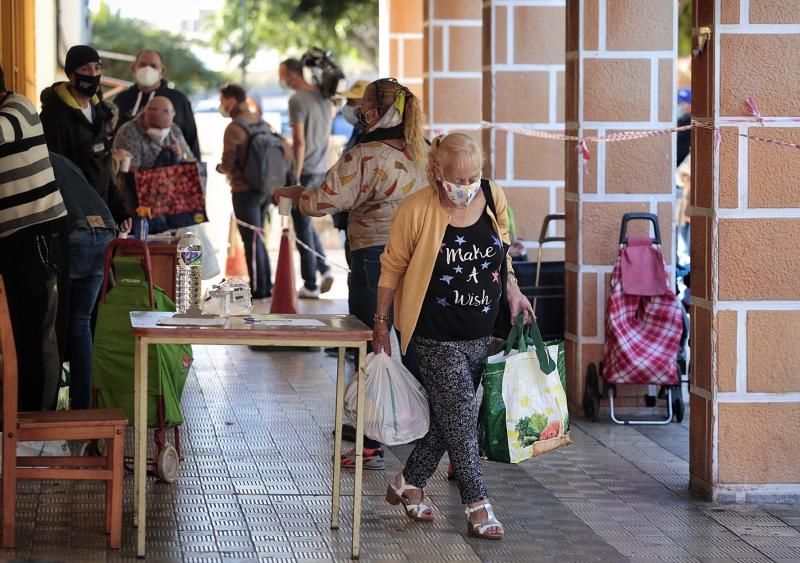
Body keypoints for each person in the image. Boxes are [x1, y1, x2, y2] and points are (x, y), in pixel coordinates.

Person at [373, 133, 535, 539]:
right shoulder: (416, 209)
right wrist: (380, 324)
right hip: (434, 336)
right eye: (456, 179)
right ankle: (477, 505)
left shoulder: (494, 197)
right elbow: (391, 268)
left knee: (450, 421)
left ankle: (407, 482)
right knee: (462, 416)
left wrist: (513, 291)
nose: (464, 187)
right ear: (437, 173)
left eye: (472, 177)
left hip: (481, 334)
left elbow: (504, 253)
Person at [274, 78, 428, 470]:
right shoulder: (424, 151)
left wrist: (297, 194)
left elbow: (326, 198)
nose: (361, 113)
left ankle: (371, 438)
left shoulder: (366, 154)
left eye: (365, 106)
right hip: (423, 258)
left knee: (372, 343)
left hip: (375, 258)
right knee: (416, 346)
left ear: (378, 112)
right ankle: (434, 437)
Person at [0, 65, 70, 411]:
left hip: (36, 237)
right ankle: (17, 418)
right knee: (14, 333)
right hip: (9, 240)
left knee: (37, 332)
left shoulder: (19, 108)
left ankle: (39, 423)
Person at [49, 152, 116, 410]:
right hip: (105, 230)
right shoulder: (64, 159)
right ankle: (81, 407)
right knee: (80, 322)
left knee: (51, 325)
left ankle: (47, 407)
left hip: (73, 232)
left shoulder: (26, 158)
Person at [40, 45, 132, 231]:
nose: (93, 74)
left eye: (97, 68)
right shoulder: (54, 117)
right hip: (75, 221)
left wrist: (120, 211)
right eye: (85, 69)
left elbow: (103, 170)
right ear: (70, 75)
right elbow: (55, 174)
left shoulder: (100, 112)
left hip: (102, 216)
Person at [279, 58, 334, 298]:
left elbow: (299, 141)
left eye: (282, 75)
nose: (281, 80)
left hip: (305, 168)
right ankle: (324, 268)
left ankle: (310, 284)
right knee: (307, 222)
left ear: (291, 74)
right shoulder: (323, 96)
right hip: (321, 166)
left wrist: (296, 174)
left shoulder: (296, 100)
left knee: (301, 228)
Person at [216, 83, 272, 299]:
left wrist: (220, 168)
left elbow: (228, 163)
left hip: (243, 189)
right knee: (259, 237)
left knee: (251, 239)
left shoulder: (234, 128)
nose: (221, 106)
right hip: (265, 187)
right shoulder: (260, 122)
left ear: (231, 100)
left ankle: (258, 288)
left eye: (222, 101)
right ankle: (266, 284)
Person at [112, 50, 201, 160]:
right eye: (143, 65)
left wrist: (196, 170)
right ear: (134, 68)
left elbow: (191, 138)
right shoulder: (122, 99)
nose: (147, 69)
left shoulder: (178, 100)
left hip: (167, 171)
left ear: (162, 71)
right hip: (126, 170)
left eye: (153, 66)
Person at [113, 96, 196, 171]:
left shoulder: (173, 129)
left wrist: (180, 155)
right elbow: (129, 173)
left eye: (165, 127)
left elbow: (191, 160)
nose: (162, 131)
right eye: (156, 126)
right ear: (145, 116)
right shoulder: (129, 132)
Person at [676, 88, 691, 167]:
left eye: (683, 103)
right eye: (679, 103)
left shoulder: (692, 122)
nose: (680, 107)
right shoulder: (682, 119)